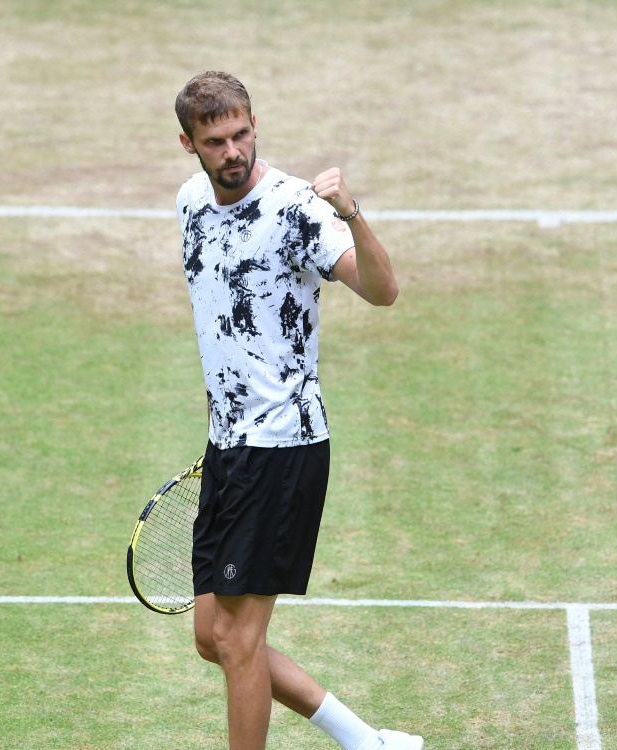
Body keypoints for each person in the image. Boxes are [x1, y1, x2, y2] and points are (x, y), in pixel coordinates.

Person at [174, 71, 423, 750]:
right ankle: (366, 742)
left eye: (241, 134)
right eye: (215, 141)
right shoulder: (191, 202)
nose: (233, 151)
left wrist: (351, 213)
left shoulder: (297, 211)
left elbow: (383, 290)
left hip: (283, 445)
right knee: (213, 638)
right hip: (228, 446)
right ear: (189, 144)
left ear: (255, 125)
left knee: (240, 639)